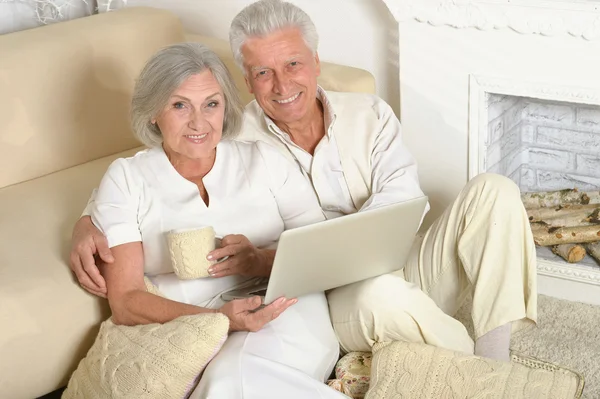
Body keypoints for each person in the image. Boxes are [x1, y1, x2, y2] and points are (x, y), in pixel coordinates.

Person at [71, 0, 537, 366]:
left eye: (293, 64)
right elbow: (159, 168)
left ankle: (494, 353)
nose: (281, 84)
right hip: (334, 293)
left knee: (495, 189)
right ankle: (489, 375)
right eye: (262, 72)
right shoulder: (233, 136)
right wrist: (88, 220)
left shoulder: (369, 114)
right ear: (247, 81)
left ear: (315, 61)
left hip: (398, 259)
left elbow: (404, 201)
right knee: (382, 296)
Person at [82, 41, 346, 398]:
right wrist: (221, 319)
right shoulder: (127, 178)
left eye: (211, 104)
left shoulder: (264, 161)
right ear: (152, 113)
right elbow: (126, 300)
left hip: (281, 304)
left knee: (235, 379)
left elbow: (323, 250)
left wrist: (258, 261)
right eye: (179, 105)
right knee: (228, 380)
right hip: (185, 323)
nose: (199, 122)